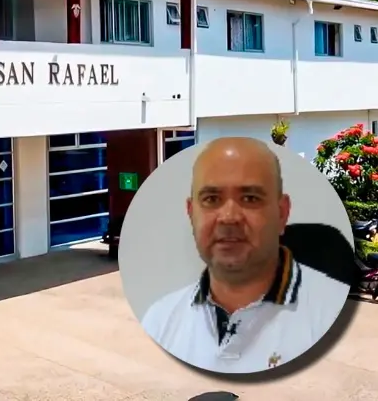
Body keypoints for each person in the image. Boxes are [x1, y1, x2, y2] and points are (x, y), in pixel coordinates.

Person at [141, 137, 349, 374]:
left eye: (250, 198)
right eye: (211, 199)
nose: (229, 217)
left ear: (282, 213)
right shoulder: (161, 319)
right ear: (191, 214)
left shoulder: (329, 315)